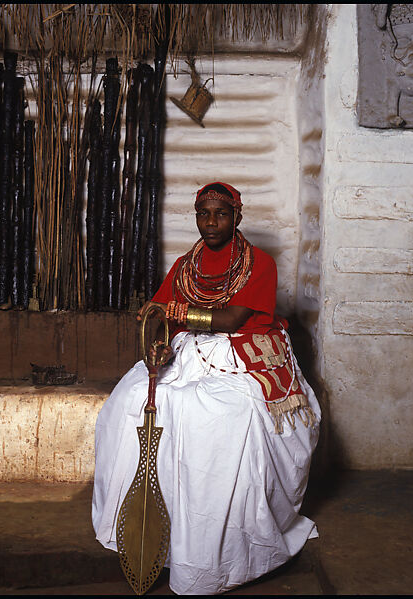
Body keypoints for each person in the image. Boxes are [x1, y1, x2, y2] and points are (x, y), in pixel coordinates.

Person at [92, 182, 321, 595]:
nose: (211, 223)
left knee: (213, 418)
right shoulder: (185, 265)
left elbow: (232, 320)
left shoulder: (259, 264)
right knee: (128, 402)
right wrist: (156, 344)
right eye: (203, 214)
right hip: (190, 351)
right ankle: (153, 531)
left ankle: (208, 551)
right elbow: (155, 313)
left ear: (237, 216)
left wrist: (175, 310)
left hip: (241, 353)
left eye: (220, 214)